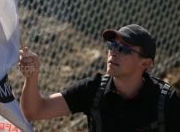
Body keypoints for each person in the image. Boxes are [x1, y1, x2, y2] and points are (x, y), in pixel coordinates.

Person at [19, 24, 180, 132]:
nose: (114, 52)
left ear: (145, 64)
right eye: (112, 45)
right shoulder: (93, 89)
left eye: (124, 49)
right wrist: (32, 77)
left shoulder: (166, 101)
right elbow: (34, 111)